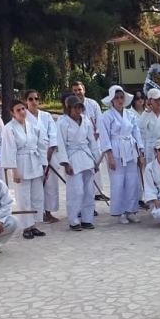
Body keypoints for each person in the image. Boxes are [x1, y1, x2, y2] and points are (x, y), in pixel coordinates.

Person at [1, 100, 47, 239]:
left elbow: (41, 145)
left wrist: (43, 164)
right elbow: (9, 150)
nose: (22, 112)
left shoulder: (32, 126)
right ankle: (26, 226)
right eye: (18, 110)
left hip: (35, 162)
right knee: (23, 197)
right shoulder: (9, 128)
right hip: (21, 164)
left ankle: (34, 225)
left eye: (23, 109)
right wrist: (14, 170)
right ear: (12, 113)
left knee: (37, 196)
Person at [99, 86, 145, 224]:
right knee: (118, 183)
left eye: (121, 97)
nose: (120, 100)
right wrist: (110, 157)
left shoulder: (130, 115)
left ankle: (131, 210)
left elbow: (136, 133)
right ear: (112, 100)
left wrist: (140, 153)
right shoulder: (106, 116)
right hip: (116, 150)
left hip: (130, 150)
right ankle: (120, 212)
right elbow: (104, 137)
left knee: (132, 182)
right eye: (117, 98)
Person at [55, 96, 100, 231]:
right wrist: (65, 163)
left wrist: (96, 160)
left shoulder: (86, 121)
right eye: (75, 107)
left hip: (86, 156)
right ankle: (73, 220)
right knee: (76, 191)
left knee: (88, 191)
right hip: (72, 157)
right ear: (69, 108)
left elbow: (91, 141)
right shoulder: (62, 123)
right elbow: (61, 144)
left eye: (80, 107)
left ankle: (87, 219)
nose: (78, 110)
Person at [25, 90, 60, 224]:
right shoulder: (24, 117)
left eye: (36, 99)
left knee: (51, 185)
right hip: (33, 155)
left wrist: (50, 151)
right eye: (31, 99)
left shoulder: (46, 116)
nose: (34, 101)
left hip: (49, 153)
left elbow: (53, 133)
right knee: (37, 186)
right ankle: (36, 213)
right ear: (26, 101)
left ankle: (49, 212)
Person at [71, 81, 108, 201]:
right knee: (84, 169)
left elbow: (100, 122)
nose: (77, 92)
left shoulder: (93, 104)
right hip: (79, 144)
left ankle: (98, 192)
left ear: (84, 90)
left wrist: (96, 134)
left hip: (93, 140)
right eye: (75, 90)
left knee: (96, 166)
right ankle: (86, 195)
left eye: (79, 90)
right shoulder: (70, 106)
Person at [129, 89, 150, 210]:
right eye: (137, 98)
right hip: (136, 146)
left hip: (149, 144)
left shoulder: (148, 112)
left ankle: (149, 196)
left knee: (149, 172)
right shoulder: (130, 113)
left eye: (142, 97)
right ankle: (139, 198)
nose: (140, 100)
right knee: (138, 173)